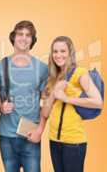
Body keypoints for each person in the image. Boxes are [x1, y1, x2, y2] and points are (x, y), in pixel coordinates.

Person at [0, 20, 48, 172]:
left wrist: (40, 130)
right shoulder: (0, 66)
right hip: (7, 137)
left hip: (31, 135)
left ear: (32, 40)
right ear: (13, 37)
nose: (24, 38)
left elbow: (47, 102)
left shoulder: (42, 68)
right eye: (20, 34)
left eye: (28, 35)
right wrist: (0, 106)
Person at [42, 36, 103, 172]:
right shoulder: (52, 77)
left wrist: (66, 98)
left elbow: (98, 102)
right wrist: (53, 93)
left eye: (63, 51)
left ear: (70, 53)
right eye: (55, 51)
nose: (58, 55)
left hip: (73, 142)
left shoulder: (80, 74)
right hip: (54, 140)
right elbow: (45, 113)